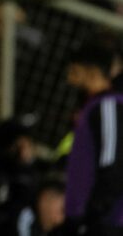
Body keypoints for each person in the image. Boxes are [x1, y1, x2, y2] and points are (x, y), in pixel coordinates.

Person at [64, 39, 123, 235]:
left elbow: (111, 166)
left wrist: (92, 216)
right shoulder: (94, 106)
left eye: (76, 69)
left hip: (106, 222)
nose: (70, 76)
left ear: (93, 71)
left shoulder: (108, 106)